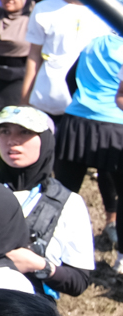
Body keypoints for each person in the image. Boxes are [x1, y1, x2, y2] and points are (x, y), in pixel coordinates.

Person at [0, 106, 95, 299]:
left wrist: (40, 266)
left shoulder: (69, 202)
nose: (12, 140)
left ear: (46, 140)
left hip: (30, 308)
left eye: (25, 132)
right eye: (5, 131)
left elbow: (79, 281)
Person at [50, 31, 123, 252]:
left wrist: (85, 100)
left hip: (76, 124)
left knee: (62, 192)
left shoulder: (95, 43)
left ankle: (52, 244)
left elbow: (70, 77)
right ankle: (120, 255)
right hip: (116, 127)